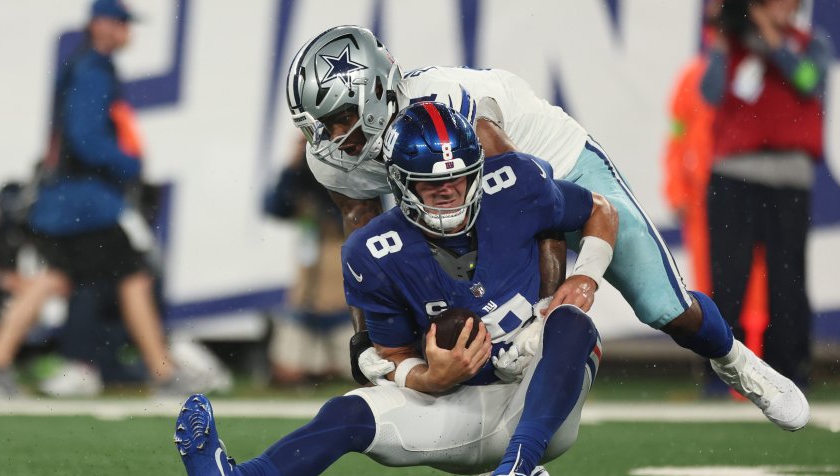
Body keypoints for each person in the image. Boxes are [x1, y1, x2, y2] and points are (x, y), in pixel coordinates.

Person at [285, 25, 809, 431]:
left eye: (339, 118)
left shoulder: (451, 107)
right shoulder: (333, 159)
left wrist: (541, 309)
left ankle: (735, 360)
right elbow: (367, 238)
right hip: (463, 196)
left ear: (377, 92)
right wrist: (367, 337)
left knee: (664, 306)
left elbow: (527, 204)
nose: (330, 137)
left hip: (553, 165)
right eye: (319, 123)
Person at [176, 101, 612, 476]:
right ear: (400, 182)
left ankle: (518, 467)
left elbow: (600, 210)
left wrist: (585, 275)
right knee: (348, 410)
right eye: (429, 181)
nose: (447, 191)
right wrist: (433, 376)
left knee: (571, 323)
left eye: (457, 177)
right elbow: (393, 356)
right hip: (456, 409)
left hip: (542, 402)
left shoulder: (515, 182)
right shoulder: (372, 251)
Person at [0, 0, 191, 397]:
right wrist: (127, 164)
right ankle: (164, 375)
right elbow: (85, 138)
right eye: (120, 24)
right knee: (133, 275)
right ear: (100, 25)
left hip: (63, 203)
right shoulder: (94, 69)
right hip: (86, 204)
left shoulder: (83, 65)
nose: (126, 33)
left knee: (51, 278)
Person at [700, 0, 832, 388]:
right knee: (728, 277)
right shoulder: (733, 46)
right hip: (732, 176)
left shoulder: (812, 43)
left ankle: (789, 372)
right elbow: (709, 94)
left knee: (787, 278)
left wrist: (773, 42)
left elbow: (811, 82)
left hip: (788, 179)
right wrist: (723, 44)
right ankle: (721, 373)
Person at [661, 0, 770, 397]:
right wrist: (677, 188)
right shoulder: (693, 77)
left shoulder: (753, 69)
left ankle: (754, 375)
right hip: (705, 199)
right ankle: (722, 373)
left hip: (744, 189)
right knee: (714, 287)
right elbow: (676, 138)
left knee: (759, 288)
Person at [262, 138, 352, 384]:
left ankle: (326, 365)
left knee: (354, 371)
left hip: (344, 307)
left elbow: (358, 211)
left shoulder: (353, 173)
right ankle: (318, 366)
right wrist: (293, 164)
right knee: (287, 372)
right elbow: (274, 206)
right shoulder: (300, 181)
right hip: (305, 303)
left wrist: (334, 163)